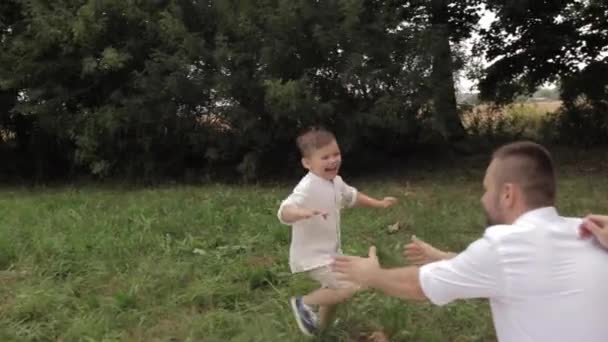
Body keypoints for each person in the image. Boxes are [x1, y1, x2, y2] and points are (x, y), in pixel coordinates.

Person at [333, 141, 608, 342]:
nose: (482, 198)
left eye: (487, 189)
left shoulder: (505, 248)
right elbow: (514, 273)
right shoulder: (591, 233)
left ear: (508, 194)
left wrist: (372, 275)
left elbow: (417, 286)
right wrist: (442, 258)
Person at [277, 126, 397, 336]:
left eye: (336, 154)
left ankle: (320, 330)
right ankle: (304, 303)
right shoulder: (308, 186)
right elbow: (284, 210)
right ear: (307, 163)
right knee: (348, 286)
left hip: (330, 253)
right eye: (325, 157)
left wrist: (379, 204)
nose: (333, 160)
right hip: (312, 256)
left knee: (335, 291)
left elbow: (352, 196)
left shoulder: (335, 182)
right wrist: (298, 212)